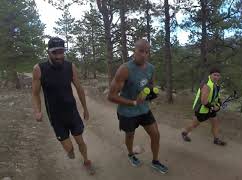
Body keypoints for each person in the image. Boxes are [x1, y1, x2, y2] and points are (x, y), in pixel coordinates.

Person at [31, 37, 95, 175]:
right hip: (55, 117)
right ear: (48, 52)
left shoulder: (70, 66)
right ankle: (70, 152)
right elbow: (35, 93)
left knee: (80, 141)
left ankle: (86, 160)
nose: (59, 56)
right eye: (55, 53)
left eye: (61, 52)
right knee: (69, 148)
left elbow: (79, 88)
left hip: (72, 112)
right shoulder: (39, 69)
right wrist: (37, 111)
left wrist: (85, 108)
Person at [107, 39, 168, 174]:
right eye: (141, 51)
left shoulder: (151, 68)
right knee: (130, 136)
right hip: (127, 111)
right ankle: (131, 154)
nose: (144, 55)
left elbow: (150, 85)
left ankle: (155, 161)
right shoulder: (125, 69)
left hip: (144, 109)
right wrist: (133, 102)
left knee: (156, 134)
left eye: (147, 52)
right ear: (134, 51)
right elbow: (111, 96)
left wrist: (152, 93)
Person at [181, 68, 226, 146]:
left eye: (218, 75)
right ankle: (184, 133)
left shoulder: (215, 84)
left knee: (215, 123)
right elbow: (203, 101)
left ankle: (216, 139)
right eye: (214, 75)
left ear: (220, 77)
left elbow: (216, 96)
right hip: (201, 109)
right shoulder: (207, 85)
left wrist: (219, 102)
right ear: (210, 75)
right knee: (195, 124)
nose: (216, 77)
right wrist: (213, 107)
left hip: (209, 108)